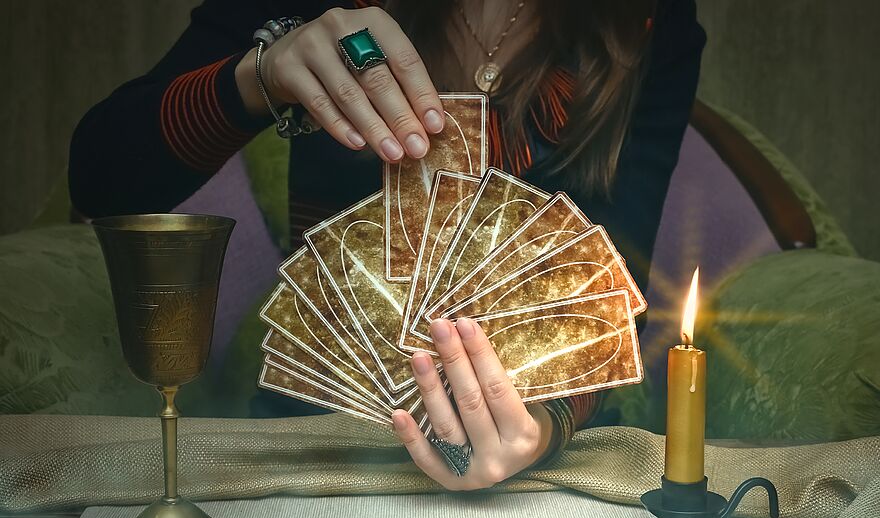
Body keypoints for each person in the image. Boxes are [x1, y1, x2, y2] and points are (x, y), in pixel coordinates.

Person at [68, 0, 705, 490]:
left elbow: (612, 282)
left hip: (541, 457)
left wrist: (545, 423)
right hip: (316, 441)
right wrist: (260, 77)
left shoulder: (649, 17)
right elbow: (102, 179)